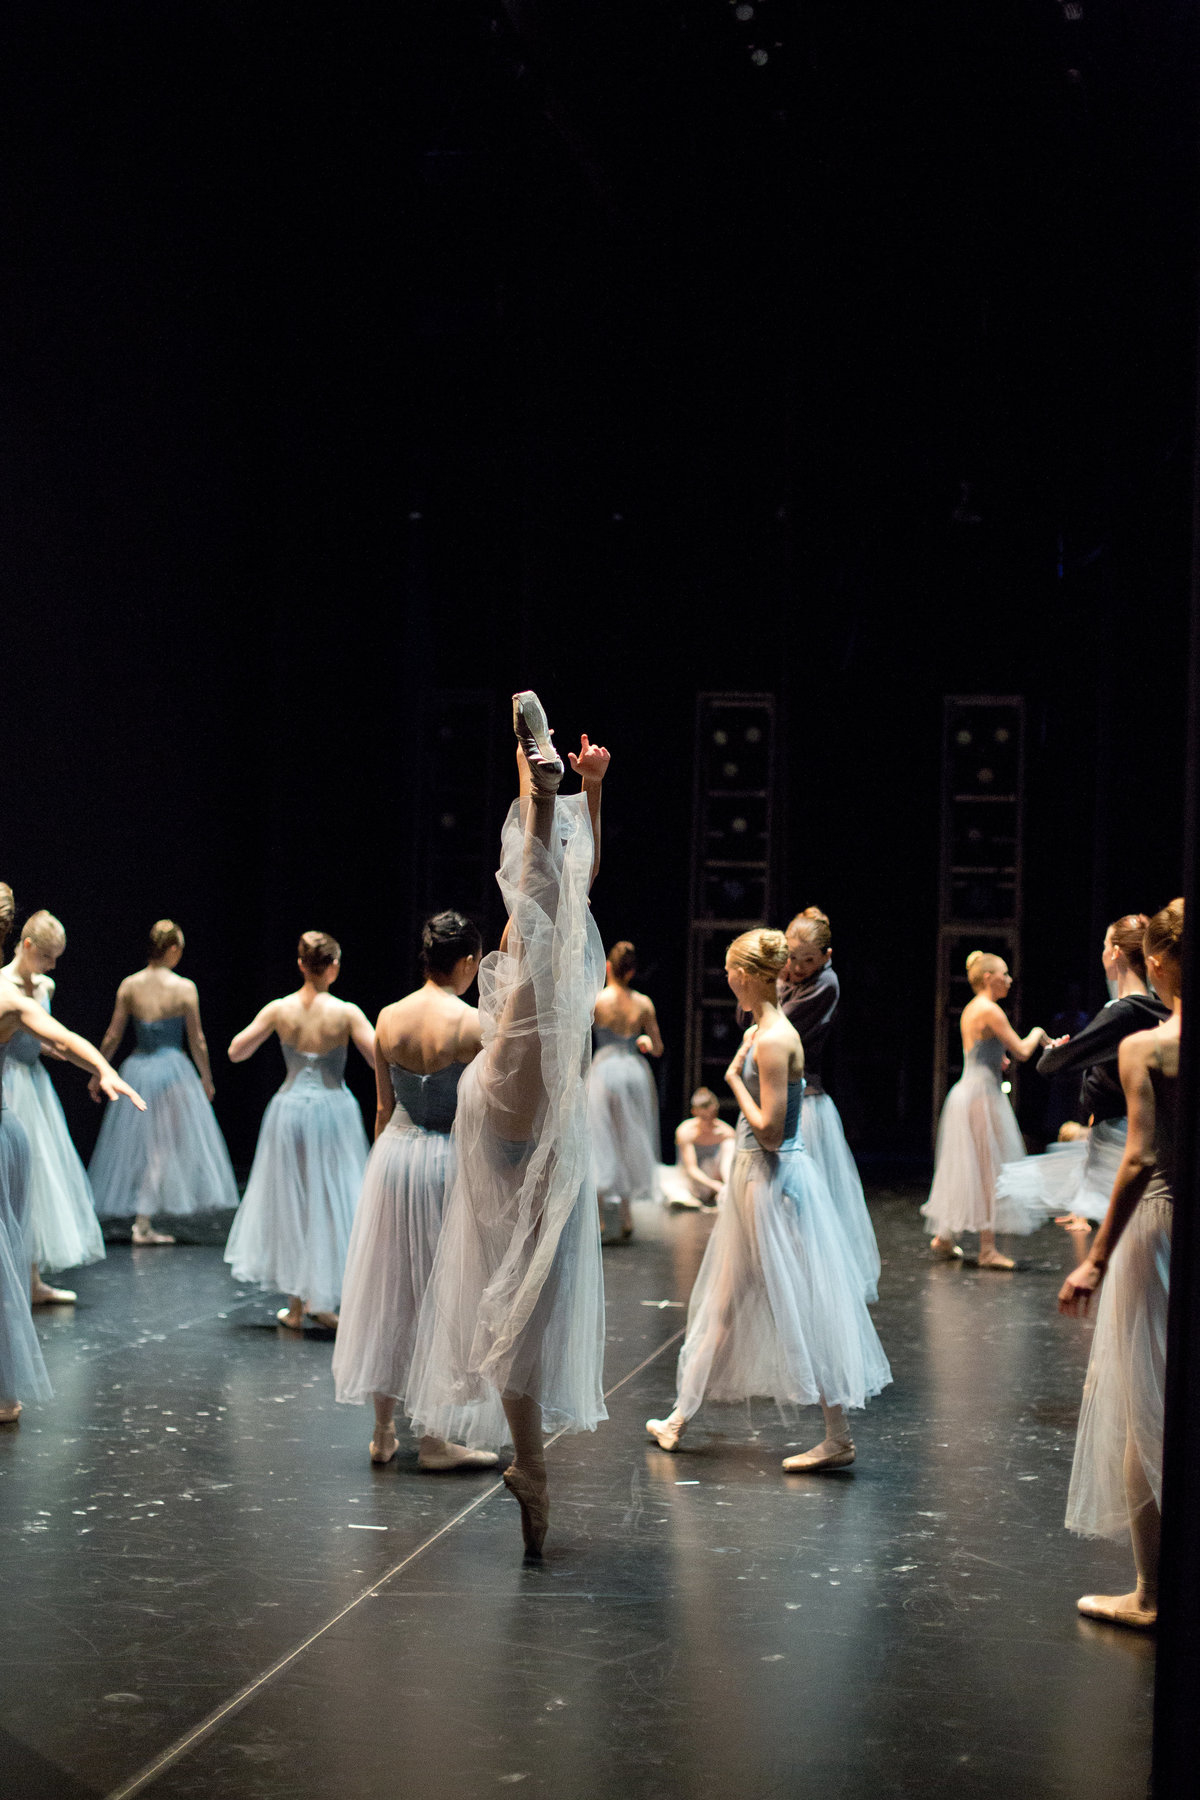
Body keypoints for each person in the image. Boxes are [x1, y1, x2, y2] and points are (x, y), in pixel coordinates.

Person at [406, 693, 610, 1558]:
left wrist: (584, 790)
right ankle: (538, 776)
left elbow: (570, 878)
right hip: (517, 1103)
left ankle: (531, 1466)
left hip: (520, 1117)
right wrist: (552, 790)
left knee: (526, 1306)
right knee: (545, 915)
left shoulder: (541, 953)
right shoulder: (533, 962)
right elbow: (552, 883)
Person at [645, 928, 891, 1471]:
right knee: (725, 1303)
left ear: (749, 975)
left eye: (732, 970)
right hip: (755, 1177)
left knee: (797, 1302)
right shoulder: (763, 1031)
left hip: (772, 1180)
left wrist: (734, 1081)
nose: (727, 978)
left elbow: (773, 1131)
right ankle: (680, 1416)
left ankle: (837, 1435)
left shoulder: (776, 1038)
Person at [332, 911, 499, 1472]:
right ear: (469, 962)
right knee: (443, 1290)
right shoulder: (474, 1023)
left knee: (391, 1288)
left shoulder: (386, 1017)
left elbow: (383, 1108)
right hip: (448, 1159)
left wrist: (381, 1176)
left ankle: (383, 1431)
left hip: (396, 1158)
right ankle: (432, 1435)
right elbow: (487, 1113)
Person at [1058, 899, 1182, 1630]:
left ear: (1157, 963)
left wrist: (1095, 1259)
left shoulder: (1150, 1048)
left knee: (1145, 1403)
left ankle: (1150, 1594)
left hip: (1158, 1223)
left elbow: (1139, 1158)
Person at [1, 882, 145, 1424]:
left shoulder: (22, 996)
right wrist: (101, 1067)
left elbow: (60, 1039)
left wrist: (101, 1067)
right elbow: (61, 1039)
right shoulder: (7, 993)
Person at [224, 932, 374, 1329]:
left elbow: (236, 1050)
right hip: (331, 1111)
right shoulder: (346, 1013)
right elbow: (379, 1059)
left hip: (288, 1111)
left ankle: (296, 1306)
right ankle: (320, 1302)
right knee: (328, 1201)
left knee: (295, 1203)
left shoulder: (279, 1009)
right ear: (334, 966)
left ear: (301, 964)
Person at [995, 915, 1168, 1245]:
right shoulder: (1157, 1008)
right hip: (1131, 1133)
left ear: (1115, 953)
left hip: (1118, 1139)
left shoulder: (1123, 1012)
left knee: (1129, 1250)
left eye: (1105, 946)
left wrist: (1060, 1051)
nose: (1103, 953)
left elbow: (1051, 1065)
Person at [89, 920, 239, 1243]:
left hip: (139, 1069)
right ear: (172, 950)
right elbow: (197, 1039)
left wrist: (98, 1070)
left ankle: (143, 1217)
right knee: (160, 1146)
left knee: (145, 1145)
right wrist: (206, 1077)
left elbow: (113, 1036)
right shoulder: (184, 988)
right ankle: (142, 1221)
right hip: (173, 1073)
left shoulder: (130, 985)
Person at [920, 951, 1050, 1269]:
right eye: (1004, 974)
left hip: (968, 1091)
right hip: (981, 1095)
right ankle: (988, 1249)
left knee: (966, 1165)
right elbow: (1020, 1050)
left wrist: (997, 1058)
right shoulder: (990, 1010)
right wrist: (1038, 1034)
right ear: (989, 977)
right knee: (987, 1169)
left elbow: (981, 1051)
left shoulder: (972, 1008)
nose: (1009, 980)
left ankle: (945, 1237)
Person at [1, 910, 104, 1303]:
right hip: (9, 1084)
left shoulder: (45, 986)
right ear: (27, 946)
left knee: (39, 1179)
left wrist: (49, 1049)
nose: (52, 965)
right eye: (47, 956)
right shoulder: (3, 985)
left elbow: (41, 1033)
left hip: (36, 1087)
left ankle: (32, 1280)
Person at [779, 907, 880, 1302]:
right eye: (791, 958)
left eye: (808, 960)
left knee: (811, 1198)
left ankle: (815, 1281)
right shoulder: (785, 976)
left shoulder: (827, 985)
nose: (798, 967)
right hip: (778, 1096)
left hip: (806, 1103)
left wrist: (773, 984)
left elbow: (776, 1024)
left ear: (826, 957)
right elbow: (744, 1016)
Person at [589, 939, 663, 1238]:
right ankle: (626, 1214)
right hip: (633, 1071)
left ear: (608, 967)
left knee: (600, 1136)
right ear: (632, 972)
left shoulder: (596, 1000)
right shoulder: (643, 1004)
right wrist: (643, 1042)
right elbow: (657, 1048)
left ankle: (601, 1218)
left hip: (605, 1069)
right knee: (629, 1136)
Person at [659, 1087, 734, 1209]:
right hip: (692, 1181)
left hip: (716, 1177)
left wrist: (722, 1185)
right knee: (673, 1190)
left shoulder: (725, 1132)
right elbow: (691, 1168)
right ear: (695, 1112)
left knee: (730, 1144)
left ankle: (729, 1188)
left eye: (712, 1116)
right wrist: (713, 1185)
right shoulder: (686, 1131)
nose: (709, 1122)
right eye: (704, 1118)